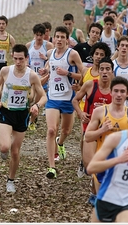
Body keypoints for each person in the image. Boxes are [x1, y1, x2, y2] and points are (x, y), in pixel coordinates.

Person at [0, 44, 47, 193]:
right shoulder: (5, 71)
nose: (18, 62)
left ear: (27, 58)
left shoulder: (32, 76)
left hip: (22, 114)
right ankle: (3, 150)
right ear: (12, 57)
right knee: (5, 147)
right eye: (15, 58)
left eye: (21, 59)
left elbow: (43, 96)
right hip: (6, 111)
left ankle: (11, 180)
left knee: (15, 151)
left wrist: (36, 106)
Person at [38, 26, 84, 179]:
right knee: (51, 130)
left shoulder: (73, 54)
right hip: (52, 98)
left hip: (68, 98)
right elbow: (49, 68)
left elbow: (83, 73)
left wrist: (69, 74)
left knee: (66, 131)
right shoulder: (50, 53)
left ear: (67, 39)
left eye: (62, 37)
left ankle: (61, 143)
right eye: (56, 36)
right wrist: (45, 72)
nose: (59, 39)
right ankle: (52, 167)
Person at [84, 76, 128, 206]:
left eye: (122, 91)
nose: (119, 95)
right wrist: (102, 130)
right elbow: (87, 137)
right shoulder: (100, 112)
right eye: (116, 91)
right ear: (111, 92)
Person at [72, 56, 113, 178]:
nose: (105, 72)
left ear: (112, 71)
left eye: (108, 69)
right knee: (89, 164)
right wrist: (80, 113)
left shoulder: (116, 88)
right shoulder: (90, 85)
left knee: (103, 160)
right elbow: (75, 100)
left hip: (107, 128)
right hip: (89, 126)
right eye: (102, 69)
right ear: (98, 71)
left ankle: (97, 186)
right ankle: (88, 169)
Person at [26, 23, 54, 130]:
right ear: (34, 34)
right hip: (31, 77)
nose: (39, 37)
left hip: (43, 78)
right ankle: (28, 117)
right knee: (30, 99)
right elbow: (25, 59)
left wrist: (45, 60)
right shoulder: (29, 45)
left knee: (37, 101)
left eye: (41, 35)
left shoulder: (48, 46)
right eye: (37, 35)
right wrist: (26, 64)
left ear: (44, 35)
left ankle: (32, 122)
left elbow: (53, 61)